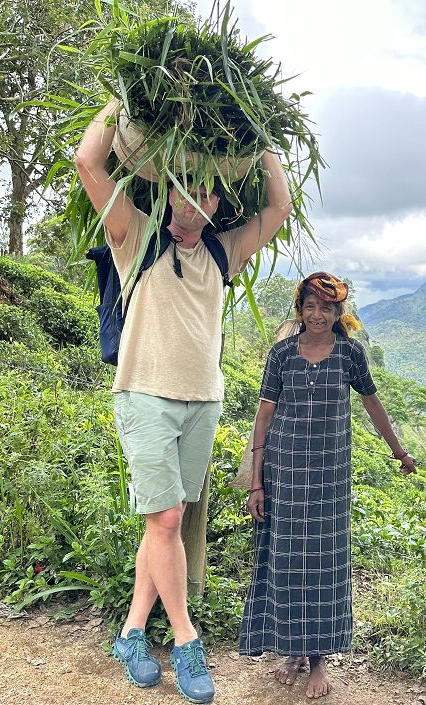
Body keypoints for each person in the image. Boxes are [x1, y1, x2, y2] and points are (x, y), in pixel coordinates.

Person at [74, 99, 293, 704]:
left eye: (208, 195)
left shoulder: (225, 251)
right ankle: (187, 642)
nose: (196, 203)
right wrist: (118, 105)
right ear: (169, 193)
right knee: (167, 519)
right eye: (185, 191)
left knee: (163, 526)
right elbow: (88, 161)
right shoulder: (134, 236)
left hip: (203, 402)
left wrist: (263, 136)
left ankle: (131, 632)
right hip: (144, 395)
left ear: (219, 203)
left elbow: (280, 206)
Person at [238, 271, 417, 699]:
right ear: (300, 309)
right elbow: (264, 416)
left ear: (339, 313)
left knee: (325, 566)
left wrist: (399, 451)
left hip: (330, 479)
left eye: (327, 307)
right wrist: (256, 482)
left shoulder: (350, 354)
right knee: (287, 562)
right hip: (284, 474)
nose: (317, 314)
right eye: (310, 306)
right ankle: (292, 652)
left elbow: (372, 403)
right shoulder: (281, 355)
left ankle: (318, 660)